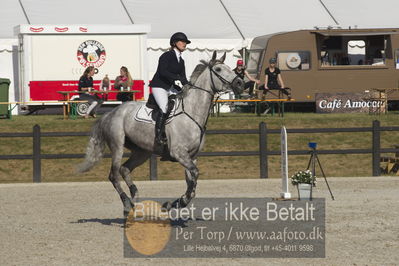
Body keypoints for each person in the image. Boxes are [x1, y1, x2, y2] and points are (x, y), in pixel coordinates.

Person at [149, 32, 190, 146]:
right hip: (160, 86)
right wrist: (176, 78)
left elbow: (183, 78)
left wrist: (190, 86)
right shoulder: (166, 56)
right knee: (164, 107)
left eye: (185, 42)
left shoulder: (181, 61)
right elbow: (162, 72)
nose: (184, 44)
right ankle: (158, 136)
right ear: (174, 43)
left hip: (171, 87)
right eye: (182, 42)